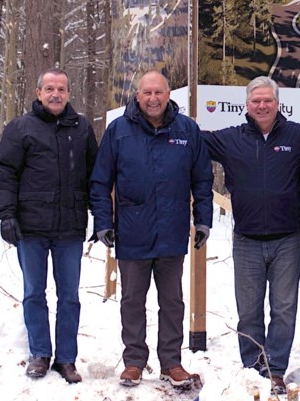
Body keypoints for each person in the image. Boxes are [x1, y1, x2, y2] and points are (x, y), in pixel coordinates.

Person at [89, 70, 214, 389]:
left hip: (171, 232)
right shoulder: (119, 130)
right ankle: (134, 361)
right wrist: (103, 222)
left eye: (159, 92)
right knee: (132, 300)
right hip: (132, 232)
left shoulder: (187, 130)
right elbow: (101, 182)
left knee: (172, 301)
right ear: (137, 95)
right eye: (147, 93)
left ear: (169, 94)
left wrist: (203, 219)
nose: (153, 98)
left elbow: (202, 180)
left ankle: (171, 362)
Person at [202, 77, 300, 396]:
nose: (262, 105)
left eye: (268, 100)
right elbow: (190, 139)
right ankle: (254, 371)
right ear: (246, 105)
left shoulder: (299, 136)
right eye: (255, 101)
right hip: (247, 239)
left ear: (278, 103)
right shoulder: (230, 139)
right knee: (248, 311)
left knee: (283, 309)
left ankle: (275, 370)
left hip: (287, 239)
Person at [0, 68, 99, 384]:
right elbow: (3, 172)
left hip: (70, 227)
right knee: (34, 293)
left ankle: (66, 359)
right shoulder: (20, 128)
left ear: (68, 93)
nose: (55, 94)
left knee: (69, 296)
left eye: (61, 89)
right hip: (31, 227)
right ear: (39, 92)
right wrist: (6, 214)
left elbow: (95, 176)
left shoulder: (81, 129)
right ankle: (40, 353)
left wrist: (103, 217)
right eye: (49, 88)